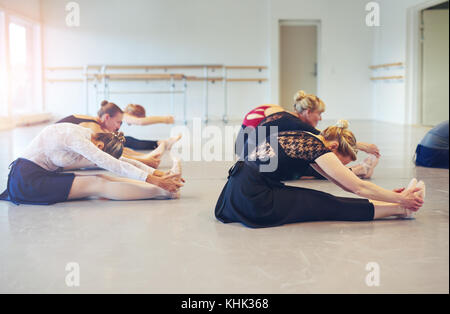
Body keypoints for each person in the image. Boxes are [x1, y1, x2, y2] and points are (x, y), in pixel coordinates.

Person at [216, 120, 425, 229]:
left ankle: (393, 207)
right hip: (255, 198)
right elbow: (357, 187)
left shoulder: (308, 139)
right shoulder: (316, 148)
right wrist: (400, 198)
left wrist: (386, 195)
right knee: (327, 205)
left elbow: (343, 183)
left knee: (324, 199)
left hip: (238, 188)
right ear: (333, 147)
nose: (341, 166)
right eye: (342, 162)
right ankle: (401, 209)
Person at [0, 123, 184, 205]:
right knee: (98, 183)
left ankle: (164, 187)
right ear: (100, 145)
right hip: (27, 181)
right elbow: (113, 164)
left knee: (102, 176)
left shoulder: (85, 136)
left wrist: (158, 174)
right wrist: (155, 181)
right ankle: (164, 192)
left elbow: (119, 161)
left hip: (37, 175)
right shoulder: (76, 138)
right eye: (101, 153)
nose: (98, 157)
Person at [236, 91, 380, 179]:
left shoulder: (287, 117)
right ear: (308, 112)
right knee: (316, 157)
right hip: (251, 162)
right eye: (319, 114)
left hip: (248, 158)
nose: (321, 118)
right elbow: (328, 139)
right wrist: (362, 146)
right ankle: (358, 170)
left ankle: (357, 171)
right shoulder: (296, 124)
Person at [57, 101, 181, 168]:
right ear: (106, 117)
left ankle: (153, 149)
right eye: (118, 122)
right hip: (56, 154)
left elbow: (119, 149)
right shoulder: (94, 127)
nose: (118, 127)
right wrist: (143, 160)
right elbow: (110, 153)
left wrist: (144, 157)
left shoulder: (96, 123)